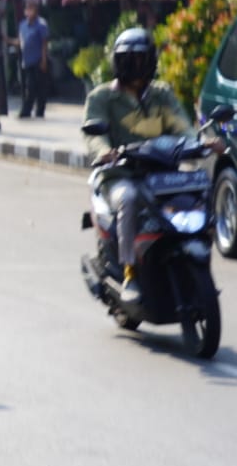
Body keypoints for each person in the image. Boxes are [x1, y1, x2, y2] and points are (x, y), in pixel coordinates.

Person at [82, 28, 210, 299]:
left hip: (160, 173)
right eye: (130, 61)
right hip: (119, 175)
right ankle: (129, 272)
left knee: (197, 190)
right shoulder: (102, 97)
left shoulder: (161, 94)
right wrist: (105, 151)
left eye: (142, 60)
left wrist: (199, 143)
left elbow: (182, 126)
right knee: (128, 199)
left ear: (151, 61)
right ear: (118, 62)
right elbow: (94, 138)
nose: (136, 67)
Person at [11, 0, 49, 119]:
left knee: (39, 87)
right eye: (27, 9)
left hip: (38, 59)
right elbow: (21, 41)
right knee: (30, 86)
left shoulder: (41, 24)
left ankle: (39, 110)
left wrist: (44, 60)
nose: (28, 11)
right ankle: (27, 110)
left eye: (31, 9)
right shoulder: (23, 25)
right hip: (27, 60)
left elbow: (44, 43)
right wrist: (7, 40)